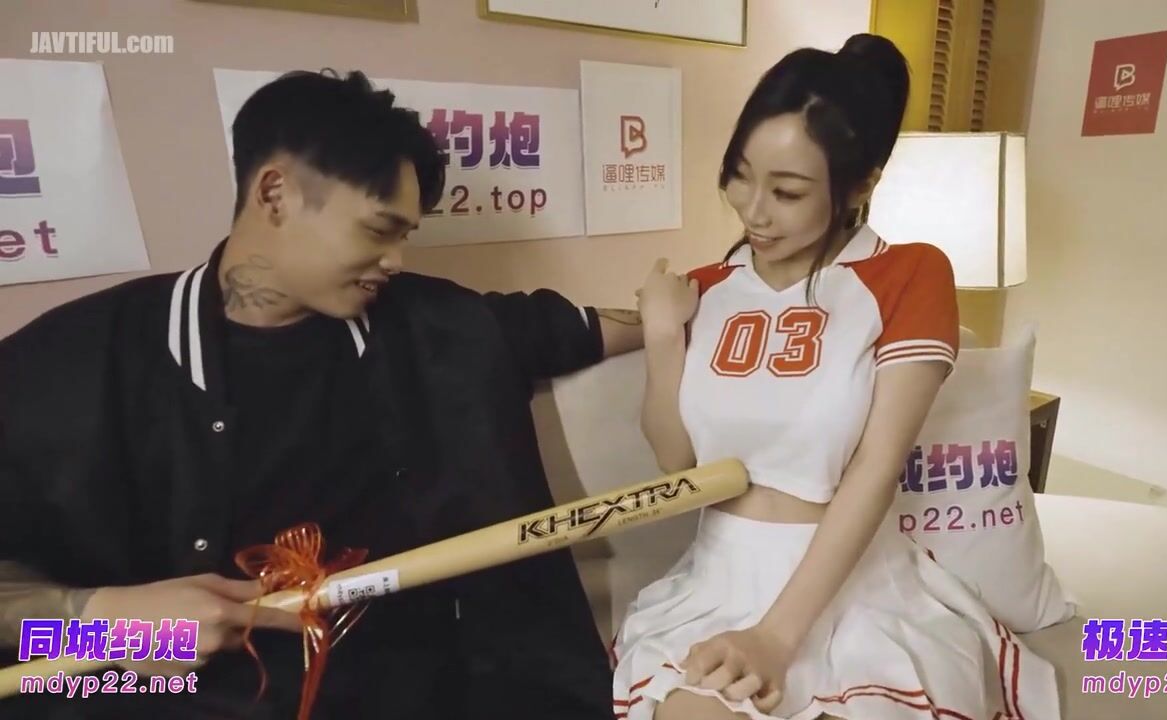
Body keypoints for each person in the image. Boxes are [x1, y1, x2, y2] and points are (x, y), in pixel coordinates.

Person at [0, 69, 644, 719]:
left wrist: (694, 313)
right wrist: (97, 622)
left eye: (405, 236)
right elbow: (29, 635)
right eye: (378, 229)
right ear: (274, 194)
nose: (395, 260)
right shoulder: (69, 366)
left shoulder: (439, 330)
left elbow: (586, 327)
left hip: (414, 694)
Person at [614, 34, 1061, 720]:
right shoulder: (705, 288)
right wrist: (662, 336)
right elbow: (676, 464)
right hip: (718, 579)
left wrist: (775, 637)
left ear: (862, 184)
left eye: (787, 192)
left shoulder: (908, 274)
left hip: (854, 585)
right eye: (740, 175)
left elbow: (876, 469)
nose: (753, 210)